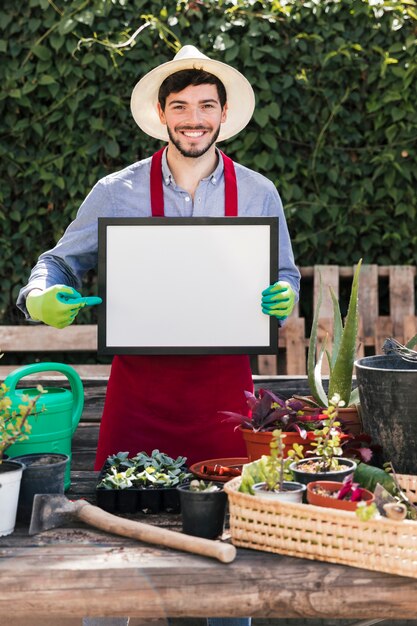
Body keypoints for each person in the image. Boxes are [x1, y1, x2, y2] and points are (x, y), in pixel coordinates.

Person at [17, 45, 300, 626]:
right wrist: (41, 297)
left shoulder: (257, 192)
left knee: (226, 562)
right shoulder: (115, 190)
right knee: (120, 563)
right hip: (138, 396)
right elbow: (57, 263)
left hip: (223, 399)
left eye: (205, 106)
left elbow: (285, 273)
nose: (193, 118)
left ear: (223, 115)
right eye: (180, 107)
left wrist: (284, 294)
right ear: (161, 113)